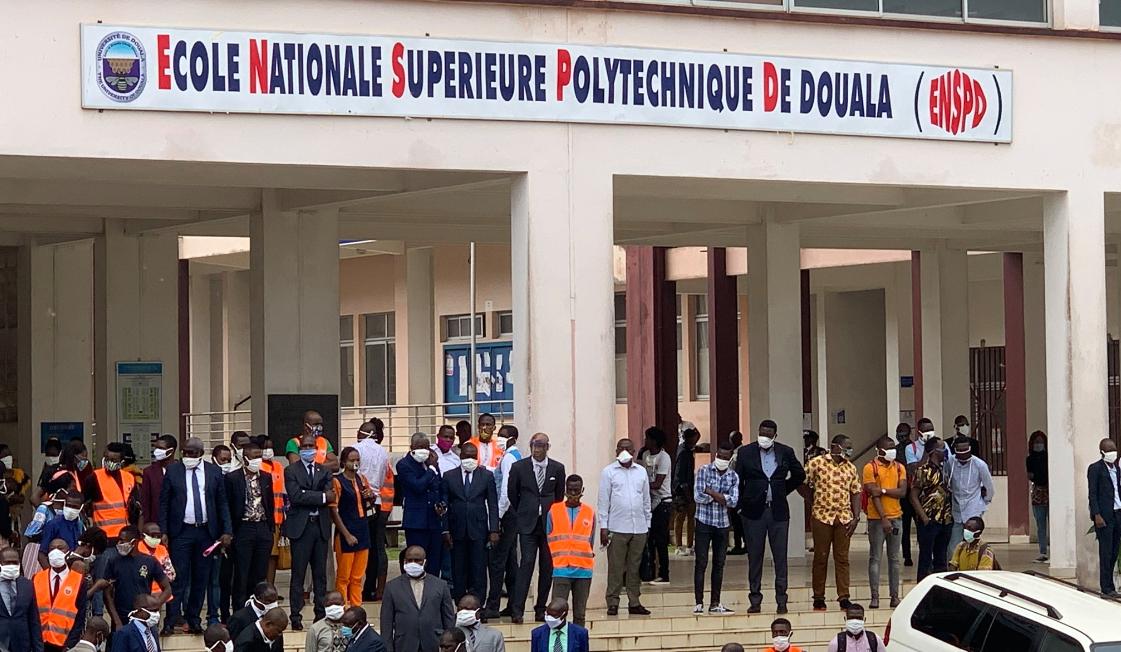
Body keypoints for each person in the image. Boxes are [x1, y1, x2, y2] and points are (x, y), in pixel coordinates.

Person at [158, 437, 232, 635]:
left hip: (206, 532)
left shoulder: (214, 472)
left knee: (201, 578)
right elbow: (164, 503)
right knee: (178, 578)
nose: (188, 456)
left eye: (192, 453)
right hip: (181, 532)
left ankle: (194, 619)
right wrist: (164, 531)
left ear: (201, 453)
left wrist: (226, 531)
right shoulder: (173, 471)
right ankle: (171, 620)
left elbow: (222, 503)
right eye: (185, 452)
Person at [733, 420, 806, 614]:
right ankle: (755, 599)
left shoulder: (785, 452)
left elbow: (799, 475)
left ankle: (781, 600)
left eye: (768, 434)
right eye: (762, 433)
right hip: (753, 512)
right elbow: (737, 480)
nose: (764, 437)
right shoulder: (745, 452)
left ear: (775, 435)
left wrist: (781, 489)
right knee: (755, 557)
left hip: (778, 512)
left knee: (780, 557)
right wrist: (740, 506)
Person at [506, 433, 565, 624]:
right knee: (527, 564)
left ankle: (541, 609)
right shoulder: (519, 467)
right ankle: (517, 609)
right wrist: (525, 511)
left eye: (540, 446)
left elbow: (559, 496)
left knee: (547, 567)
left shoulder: (557, 467)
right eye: (534, 446)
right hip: (527, 523)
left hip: (548, 526)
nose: (537, 450)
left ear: (548, 447)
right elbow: (512, 494)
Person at [284, 433, 336, 630]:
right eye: (305, 446)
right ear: (299, 449)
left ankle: (320, 615)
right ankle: (295, 617)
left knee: (320, 575)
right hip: (301, 528)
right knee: (298, 574)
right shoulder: (291, 470)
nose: (308, 449)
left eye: (311, 446)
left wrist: (312, 495)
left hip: (320, 526)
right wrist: (321, 496)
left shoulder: (323, 470)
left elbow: (331, 495)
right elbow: (296, 496)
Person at [803, 435, 861, 612]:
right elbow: (803, 482)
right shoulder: (817, 463)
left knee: (842, 558)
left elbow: (856, 492)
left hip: (843, 518)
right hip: (822, 517)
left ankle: (844, 597)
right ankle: (818, 597)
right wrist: (812, 500)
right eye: (846, 447)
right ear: (835, 447)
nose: (849, 450)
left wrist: (856, 516)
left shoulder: (850, 468)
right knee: (821, 557)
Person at [597, 439, 650, 618]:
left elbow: (646, 500)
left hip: (639, 527)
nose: (625, 451)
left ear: (634, 452)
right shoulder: (608, 472)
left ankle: (634, 602)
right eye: (621, 448)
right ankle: (613, 602)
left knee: (635, 567)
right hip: (617, 527)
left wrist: (647, 524)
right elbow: (603, 501)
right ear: (616, 451)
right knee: (616, 567)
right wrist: (604, 527)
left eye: (628, 448)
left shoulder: (641, 472)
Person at [444, 442, 499, 602]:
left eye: (473, 457)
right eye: (467, 456)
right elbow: (445, 504)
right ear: (461, 457)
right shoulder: (449, 476)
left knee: (478, 569)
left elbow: (493, 504)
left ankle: (478, 606)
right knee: (459, 569)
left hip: (479, 530)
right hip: (457, 529)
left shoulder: (486, 476)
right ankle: (461, 605)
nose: (470, 459)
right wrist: (445, 530)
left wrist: (494, 529)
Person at [225, 441, 274, 608]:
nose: (258, 460)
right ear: (245, 459)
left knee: (260, 573)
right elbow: (228, 506)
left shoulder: (266, 477)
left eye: (259, 457)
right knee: (241, 573)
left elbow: (270, 503)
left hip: (262, 527)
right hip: (243, 528)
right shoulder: (232, 478)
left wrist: (270, 529)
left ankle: (258, 607)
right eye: (254, 457)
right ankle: (239, 609)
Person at [693, 445, 740, 615]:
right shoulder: (703, 470)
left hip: (722, 524)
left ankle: (715, 602)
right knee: (701, 562)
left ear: (730, 459)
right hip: (704, 522)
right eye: (720, 455)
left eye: (725, 456)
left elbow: (733, 501)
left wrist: (711, 492)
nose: (722, 459)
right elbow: (698, 496)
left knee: (719, 563)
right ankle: (699, 603)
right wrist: (721, 498)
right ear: (716, 455)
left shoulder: (733, 476)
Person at [380, 546, 454, 652]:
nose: (413, 563)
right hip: (404, 644)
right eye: (409, 560)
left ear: (425, 562)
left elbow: (448, 618)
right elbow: (386, 623)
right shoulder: (392, 587)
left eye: (417, 560)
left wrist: (449, 645)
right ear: (404, 562)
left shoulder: (440, 585)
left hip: (433, 643)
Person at [863, 435, 906, 609]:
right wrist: (884, 518)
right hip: (876, 519)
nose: (892, 451)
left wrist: (882, 490)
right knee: (875, 558)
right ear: (879, 450)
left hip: (897, 516)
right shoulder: (870, 468)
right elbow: (873, 495)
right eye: (888, 448)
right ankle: (875, 596)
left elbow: (902, 492)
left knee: (894, 559)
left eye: (892, 447)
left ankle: (894, 596)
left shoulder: (899, 467)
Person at [99, 526, 171, 632]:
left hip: (144, 618)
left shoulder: (150, 561)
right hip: (121, 619)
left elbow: (167, 589)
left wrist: (155, 604)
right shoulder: (113, 561)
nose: (119, 543)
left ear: (134, 542)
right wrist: (117, 621)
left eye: (122, 540)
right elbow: (107, 594)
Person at [547, 475, 595, 626]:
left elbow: (590, 541)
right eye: (570, 490)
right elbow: (548, 536)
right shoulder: (554, 511)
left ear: (582, 490)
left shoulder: (589, 512)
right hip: (561, 569)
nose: (573, 494)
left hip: (583, 571)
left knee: (580, 615)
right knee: (557, 613)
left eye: (576, 490)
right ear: (565, 490)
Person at [397, 433, 448, 577]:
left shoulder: (430, 463)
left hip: (434, 520)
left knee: (434, 561)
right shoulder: (404, 465)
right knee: (417, 559)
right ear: (411, 447)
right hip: (416, 522)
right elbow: (418, 486)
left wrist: (442, 504)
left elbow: (439, 486)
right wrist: (431, 468)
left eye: (426, 447)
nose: (424, 451)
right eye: (420, 447)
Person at [485, 424, 522, 619]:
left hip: (507, 514)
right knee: (510, 562)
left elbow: (507, 489)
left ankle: (492, 605)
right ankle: (514, 604)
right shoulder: (516, 456)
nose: (499, 438)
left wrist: (497, 516)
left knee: (497, 560)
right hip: (514, 514)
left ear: (513, 438)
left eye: (503, 435)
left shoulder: (509, 458)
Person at [331, 446, 373, 607]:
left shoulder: (362, 479)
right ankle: (341, 609)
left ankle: (357, 608)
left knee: (357, 576)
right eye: (351, 460)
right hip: (346, 532)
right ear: (343, 462)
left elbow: (370, 502)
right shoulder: (337, 481)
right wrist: (346, 535)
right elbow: (334, 511)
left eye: (357, 460)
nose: (355, 463)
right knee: (343, 577)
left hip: (363, 530)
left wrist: (371, 496)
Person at [355, 419, 390, 602]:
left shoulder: (356, 448)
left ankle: (355, 588)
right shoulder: (383, 452)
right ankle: (369, 587)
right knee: (375, 547)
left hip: (357, 501)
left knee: (357, 546)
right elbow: (384, 476)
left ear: (364, 433)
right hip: (376, 502)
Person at [944, 435, 994, 559]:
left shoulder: (980, 465)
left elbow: (990, 488)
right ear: (955, 450)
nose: (963, 454)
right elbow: (946, 479)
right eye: (959, 451)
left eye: (966, 450)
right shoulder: (950, 462)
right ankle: (953, 568)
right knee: (953, 546)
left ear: (970, 449)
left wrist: (984, 502)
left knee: (972, 543)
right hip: (957, 510)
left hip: (973, 509)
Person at [909, 437, 953, 581]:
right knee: (925, 558)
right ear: (934, 451)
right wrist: (924, 518)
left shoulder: (945, 469)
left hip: (945, 520)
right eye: (942, 448)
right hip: (929, 520)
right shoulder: (922, 471)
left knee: (941, 558)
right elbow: (913, 496)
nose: (945, 451)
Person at [34, 538, 87, 652]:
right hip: (40, 642)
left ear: (68, 552)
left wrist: (70, 645)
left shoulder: (78, 580)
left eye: (60, 548)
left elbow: (80, 616)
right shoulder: (37, 578)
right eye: (52, 549)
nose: (56, 552)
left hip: (65, 643)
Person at [637, 427, 672, 585]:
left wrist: (639, 485)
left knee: (660, 539)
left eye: (648, 438)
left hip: (663, 502)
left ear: (655, 441)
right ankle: (649, 572)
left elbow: (657, 483)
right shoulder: (645, 455)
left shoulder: (664, 458)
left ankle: (664, 573)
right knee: (648, 539)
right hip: (649, 502)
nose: (645, 441)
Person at [86, 443, 138, 543]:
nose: (109, 462)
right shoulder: (94, 477)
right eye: (107, 459)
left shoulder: (129, 478)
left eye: (113, 460)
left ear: (122, 461)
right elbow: (85, 503)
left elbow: (136, 506)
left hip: (125, 535)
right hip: (104, 536)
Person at [1090, 437, 1121, 595]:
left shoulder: (1117, 469)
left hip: (1117, 514)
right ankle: (1106, 588)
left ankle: (1111, 586)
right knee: (1106, 552)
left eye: (1114, 449)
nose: (1112, 453)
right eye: (1109, 450)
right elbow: (1092, 494)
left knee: (1115, 551)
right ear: (1102, 452)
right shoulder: (1095, 469)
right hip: (1104, 516)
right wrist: (1096, 514)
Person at [256, 436, 287, 587]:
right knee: (263, 555)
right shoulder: (258, 466)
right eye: (265, 447)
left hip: (278, 517)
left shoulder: (278, 466)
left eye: (271, 446)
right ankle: (261, 588)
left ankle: (271, 587)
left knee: (274, 555)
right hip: (264, 518)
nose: (269, 450)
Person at [135, 524, 174, 619]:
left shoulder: (162, 549)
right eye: (152, 535)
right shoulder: (137, 548)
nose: (156, 538)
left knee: (154, 622)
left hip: (159, 596)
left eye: (158, 536)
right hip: (140, 594)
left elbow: (171, 574)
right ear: (143, 536)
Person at [893, 423, 919, 568]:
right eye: (898, 432)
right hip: (902, 494)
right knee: (905, 527)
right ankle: (907, 556)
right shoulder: (895, 450)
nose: (900, 435)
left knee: (920, 525)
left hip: (914, 492)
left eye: (903, 432)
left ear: (909, 433)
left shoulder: (913, 448)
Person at [672, 427, 700, 557]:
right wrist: (686, 492)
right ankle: (679, 545)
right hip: (682, 490)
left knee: (691, 519)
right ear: (689, 438)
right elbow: (679, 475)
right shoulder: (683, 452)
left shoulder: (689, 449)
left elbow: (698, 435)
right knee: (680, 518)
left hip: (689, 487)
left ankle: (690, 545)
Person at [139, 435, 176, 527]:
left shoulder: (181, 470)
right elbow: (145, 502)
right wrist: (147, 524)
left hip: (178, 524)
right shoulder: (149, 472)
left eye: (161, 448)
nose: (156, 451)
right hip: (156, 523)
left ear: (171, 451)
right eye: (156, 448)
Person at [1026, 430, 1049, 563]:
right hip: (1037, 493)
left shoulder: (1049, 456)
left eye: (1040, 442)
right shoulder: (1030, 459)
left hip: (1050, 491)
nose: (1038, 445)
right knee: (1040, 524)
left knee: (1052, 522)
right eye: (1036, 442)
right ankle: (1042, 552)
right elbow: (1030, 476)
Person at [39, 491, 84, 556]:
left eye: (74, 507)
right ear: (64, 504)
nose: (70, 509)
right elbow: (41, 554)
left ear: (81, 507)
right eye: (68, 505)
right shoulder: (53, 525)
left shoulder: (80, 525)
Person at [727, 431, 746, 556]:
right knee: (739, 519)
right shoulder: (741, 453)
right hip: (739, 489)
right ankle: (744, 543)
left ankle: (739, 545)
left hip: (736, 490)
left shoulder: (737, 455)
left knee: (737, 520)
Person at [33, 438, 63, 506]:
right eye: (49, 453)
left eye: (54, 454)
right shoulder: (45, 469)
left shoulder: (62, 470)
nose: (51, 457)